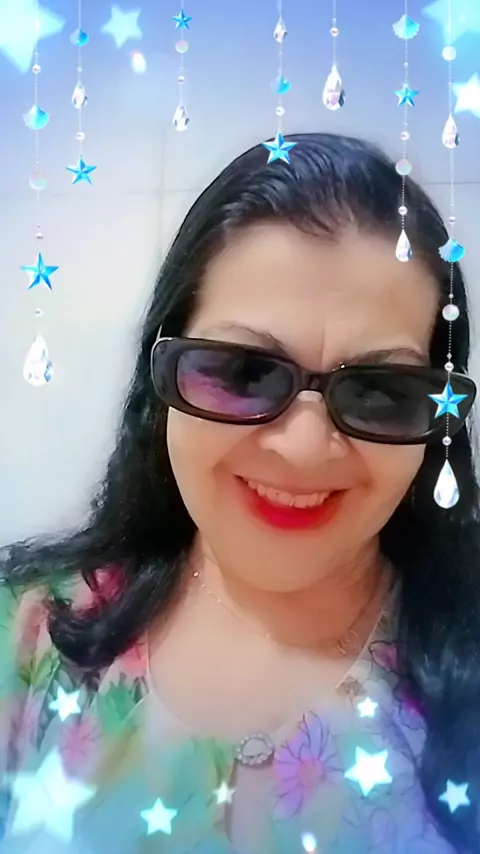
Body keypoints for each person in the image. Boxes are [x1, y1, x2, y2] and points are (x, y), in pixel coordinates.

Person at [0, 132, 479, 854]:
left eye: (381, 391)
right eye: (244, 372)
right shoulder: (27, 636)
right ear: (163, 380)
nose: (304, 447)